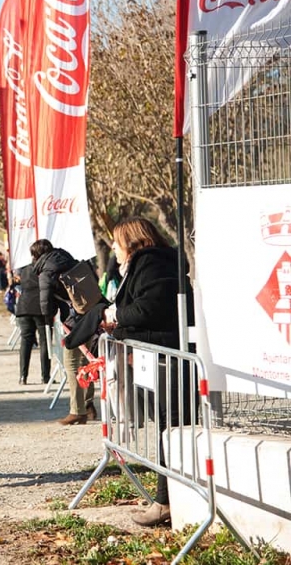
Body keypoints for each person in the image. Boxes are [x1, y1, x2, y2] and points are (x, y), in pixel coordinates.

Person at [101, 216, 194, 527]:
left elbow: (148, 310)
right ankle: (166, 498)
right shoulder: (148, 265)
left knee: (171, 430)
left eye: (116, 241)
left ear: (132, 241)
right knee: (168, 430)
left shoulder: (153, 264)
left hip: (171, 360)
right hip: (161, 357)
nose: (112, 248)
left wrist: (116, 317)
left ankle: (166, 502)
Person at [30, 239, 94, 425]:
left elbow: (45, 301)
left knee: (72, 363)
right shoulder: (68, 260)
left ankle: (77, 410)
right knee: (85, 361)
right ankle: (88, 404)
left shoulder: (46, 271)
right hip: (89, 312)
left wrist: (47, 320)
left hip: (73, 320)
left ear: (36, 256)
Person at [15, 263, 51, 385]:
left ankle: (23, 376)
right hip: (40, 307)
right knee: (44, 341)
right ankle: (45, 376)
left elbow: (17, 281)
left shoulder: (24, 268)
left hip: (24, 305)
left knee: (25, 341)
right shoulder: (45, 268)